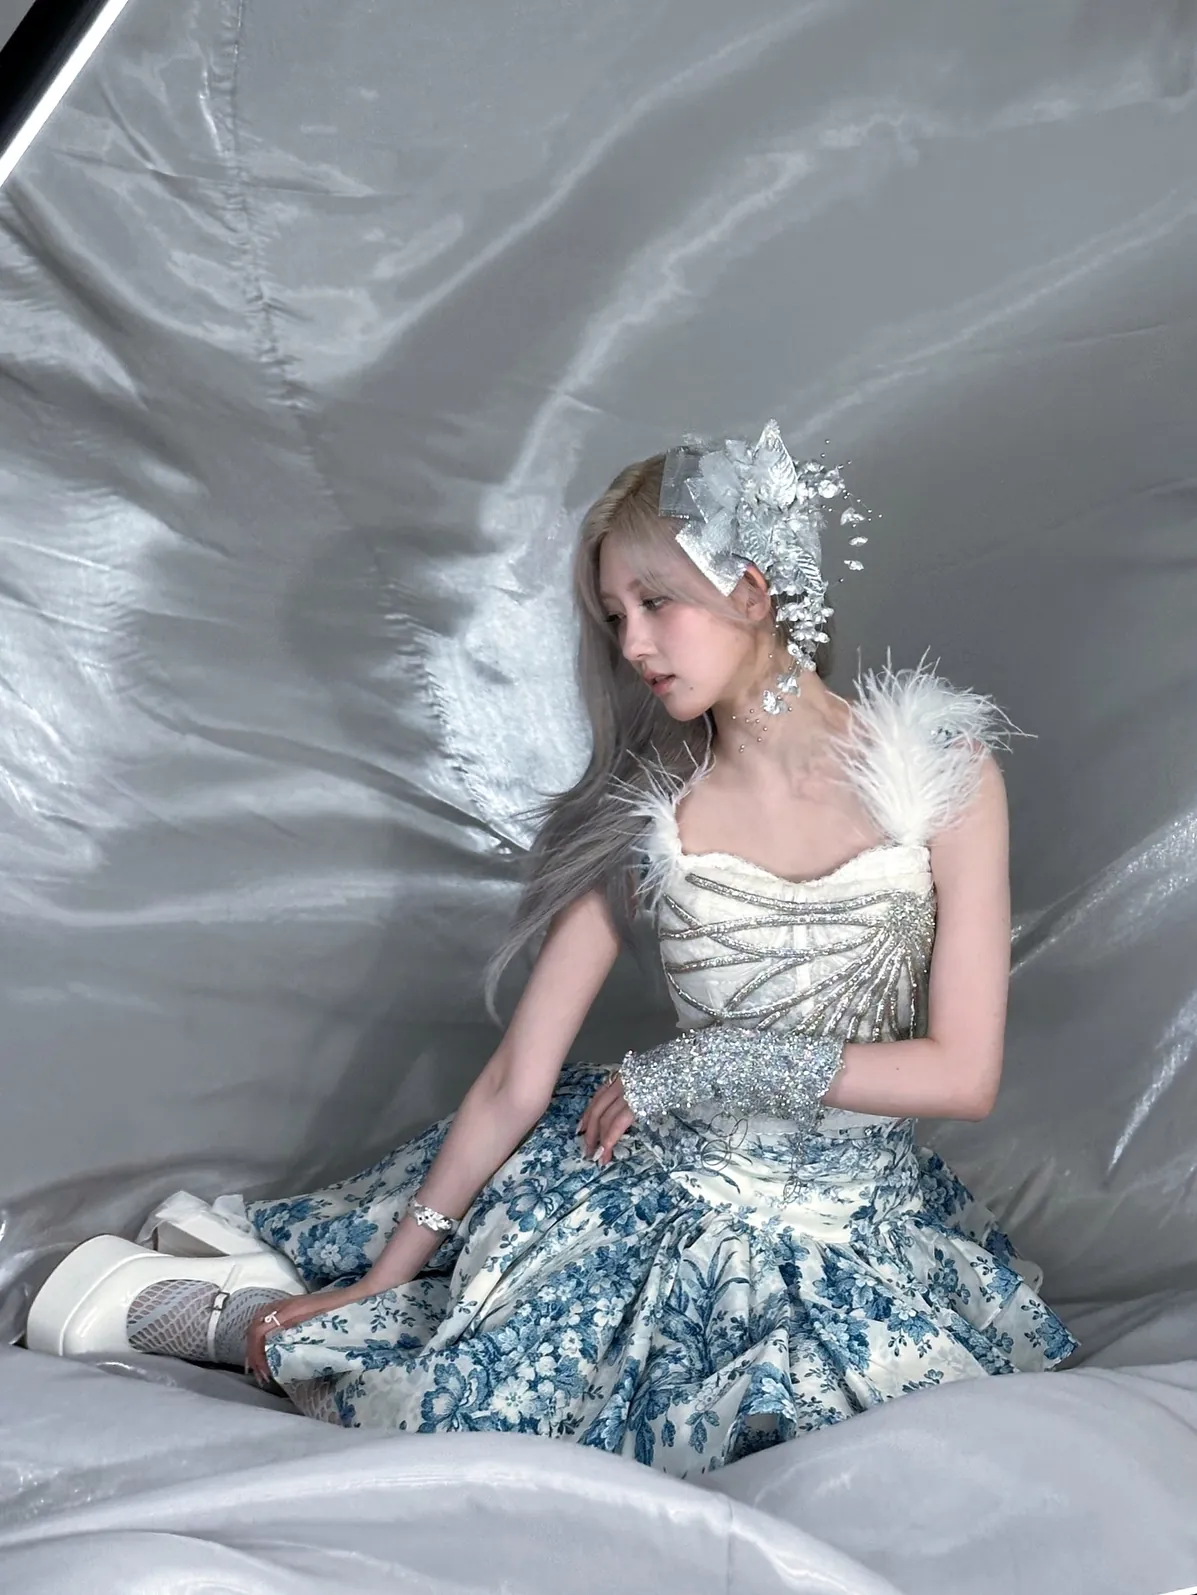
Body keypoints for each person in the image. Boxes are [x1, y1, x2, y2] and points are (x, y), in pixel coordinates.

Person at [26, 421, 1076, 1476]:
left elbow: (963, 1074)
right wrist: (383, 1278)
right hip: (664, 1199)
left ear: (752, 591)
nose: (631, 645)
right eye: (614, 616)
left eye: (655, 603)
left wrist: (713, 1060)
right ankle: (234, 1314)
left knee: (852, 1443)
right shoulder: (649, 817)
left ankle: (252, 1296)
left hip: (857, 1217)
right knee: (450, 1407)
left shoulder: (943, 773)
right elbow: (513, 1080)